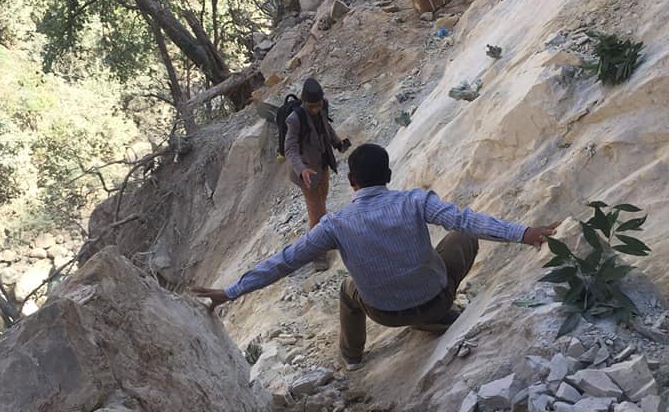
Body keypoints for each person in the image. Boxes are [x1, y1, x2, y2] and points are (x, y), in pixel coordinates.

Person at [193, 144, 559, 368]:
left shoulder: (335, 224)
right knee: (463, 235)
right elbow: (466, 220)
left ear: (351, 181)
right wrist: (524, 233)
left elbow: (285, 260)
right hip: (436, 297)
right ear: (388, 174)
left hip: (384, 313)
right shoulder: (415, 201)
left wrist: (230, 292)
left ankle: (352, 357)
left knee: (347, 290)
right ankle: (434, 317)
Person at [284, 78, 349, 270]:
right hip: (306, 174)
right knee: (318, 213)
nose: (315, 109)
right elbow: (290, 149)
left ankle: (319, 237)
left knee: (321, 204)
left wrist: (337, 143)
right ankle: (318, 254)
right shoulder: (295, 119)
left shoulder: (322, 107)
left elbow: (326, 127)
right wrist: (302, 169)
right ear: (304, 102)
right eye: (311, 106)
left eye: (318, 105)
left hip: (322, 165)